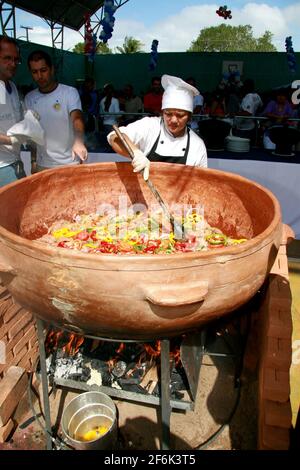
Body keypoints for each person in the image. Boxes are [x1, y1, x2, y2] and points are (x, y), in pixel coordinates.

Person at [107, 74, 207, 181]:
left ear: (189, 117)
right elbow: (114, 137)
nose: (173, 120)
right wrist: (136, 153)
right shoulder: (150, 126)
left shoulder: (197, 146)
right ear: (162, 112)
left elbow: (200, 185)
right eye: (168, 114)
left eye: (180, 115)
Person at [25, 50, 87, 173]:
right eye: (35, 72)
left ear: (52, 69)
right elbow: (32, 133)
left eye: (43, 70)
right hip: (43, 165)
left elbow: (77, 119)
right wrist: (33, 160)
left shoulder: (69, 92)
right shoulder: (29, 98)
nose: (40, 76)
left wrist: (79, 141)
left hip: (70, 162)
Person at [0, 35, 26, 187]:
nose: (13, 64)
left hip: (15, 161)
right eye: (7, 58)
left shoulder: (12, 87)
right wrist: (11, 140)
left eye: (16, 60)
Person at [232, 79, 263, 144]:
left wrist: (235, 113)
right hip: (251, 127)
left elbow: (248, 113)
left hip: (243, 128)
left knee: (240, 147)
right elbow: (261, 107)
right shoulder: (257, 96)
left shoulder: (248, 97)